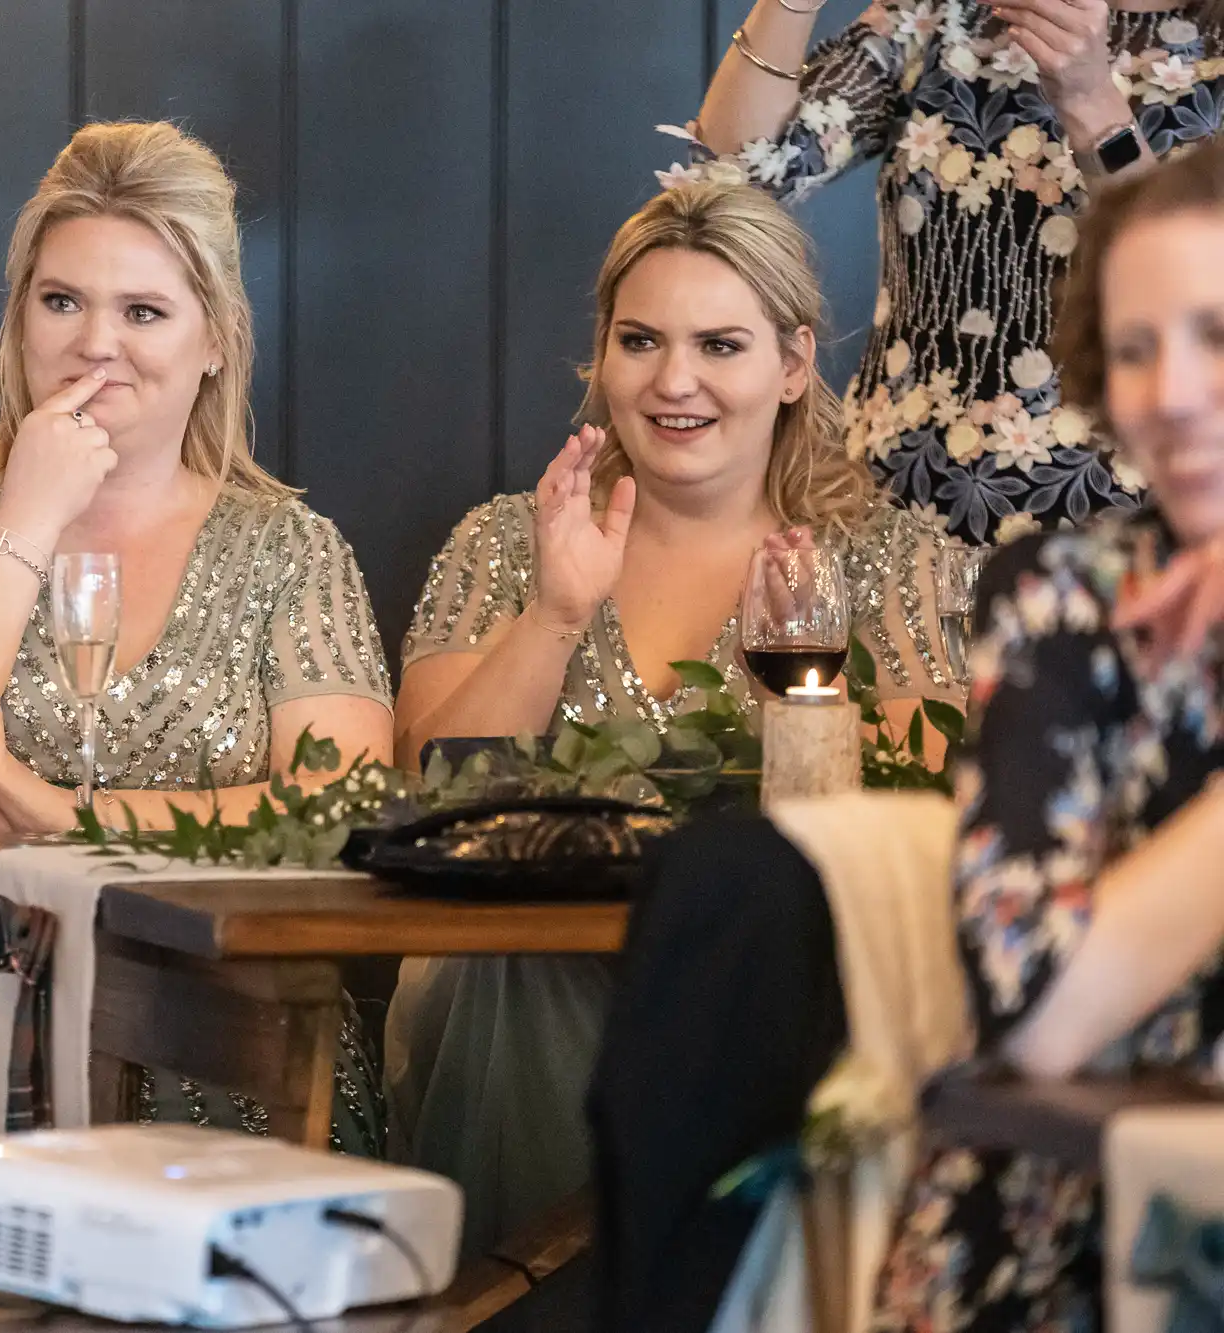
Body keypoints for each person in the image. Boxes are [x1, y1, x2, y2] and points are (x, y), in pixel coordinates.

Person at [0, 120, 395, 1302]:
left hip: (226, 1004)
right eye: (62, 302)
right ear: (18, 317)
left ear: (213, 340)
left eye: (143, 313)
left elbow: (340, 811)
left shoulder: (288, 550)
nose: (94, 345)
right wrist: (33, 507)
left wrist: (72, 816)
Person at [386, 181, 960, 1267]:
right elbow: (431, 786)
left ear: (791, 364)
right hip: (516, 982)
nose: (674, 380)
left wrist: (804, 681)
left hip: (785, 990)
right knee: (512, 976)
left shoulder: (892, 558)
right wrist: (555, 612)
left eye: (720, 343)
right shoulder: (509, 539)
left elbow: (913, 817)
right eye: (638, 340)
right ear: (599, 356)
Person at [869, 131, 1224, 1333]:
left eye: (1212, 335)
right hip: (1068, 1244)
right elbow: (1040, 1011)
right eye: (1132, 350)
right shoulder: (1064, 598)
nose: (1168, 393)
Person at [679, 0, 1224, 544]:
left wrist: (1090, 100)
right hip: (895, 513)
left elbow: (1192, 280)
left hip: (1130, 529)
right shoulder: (942, 16)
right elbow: (732, 177)